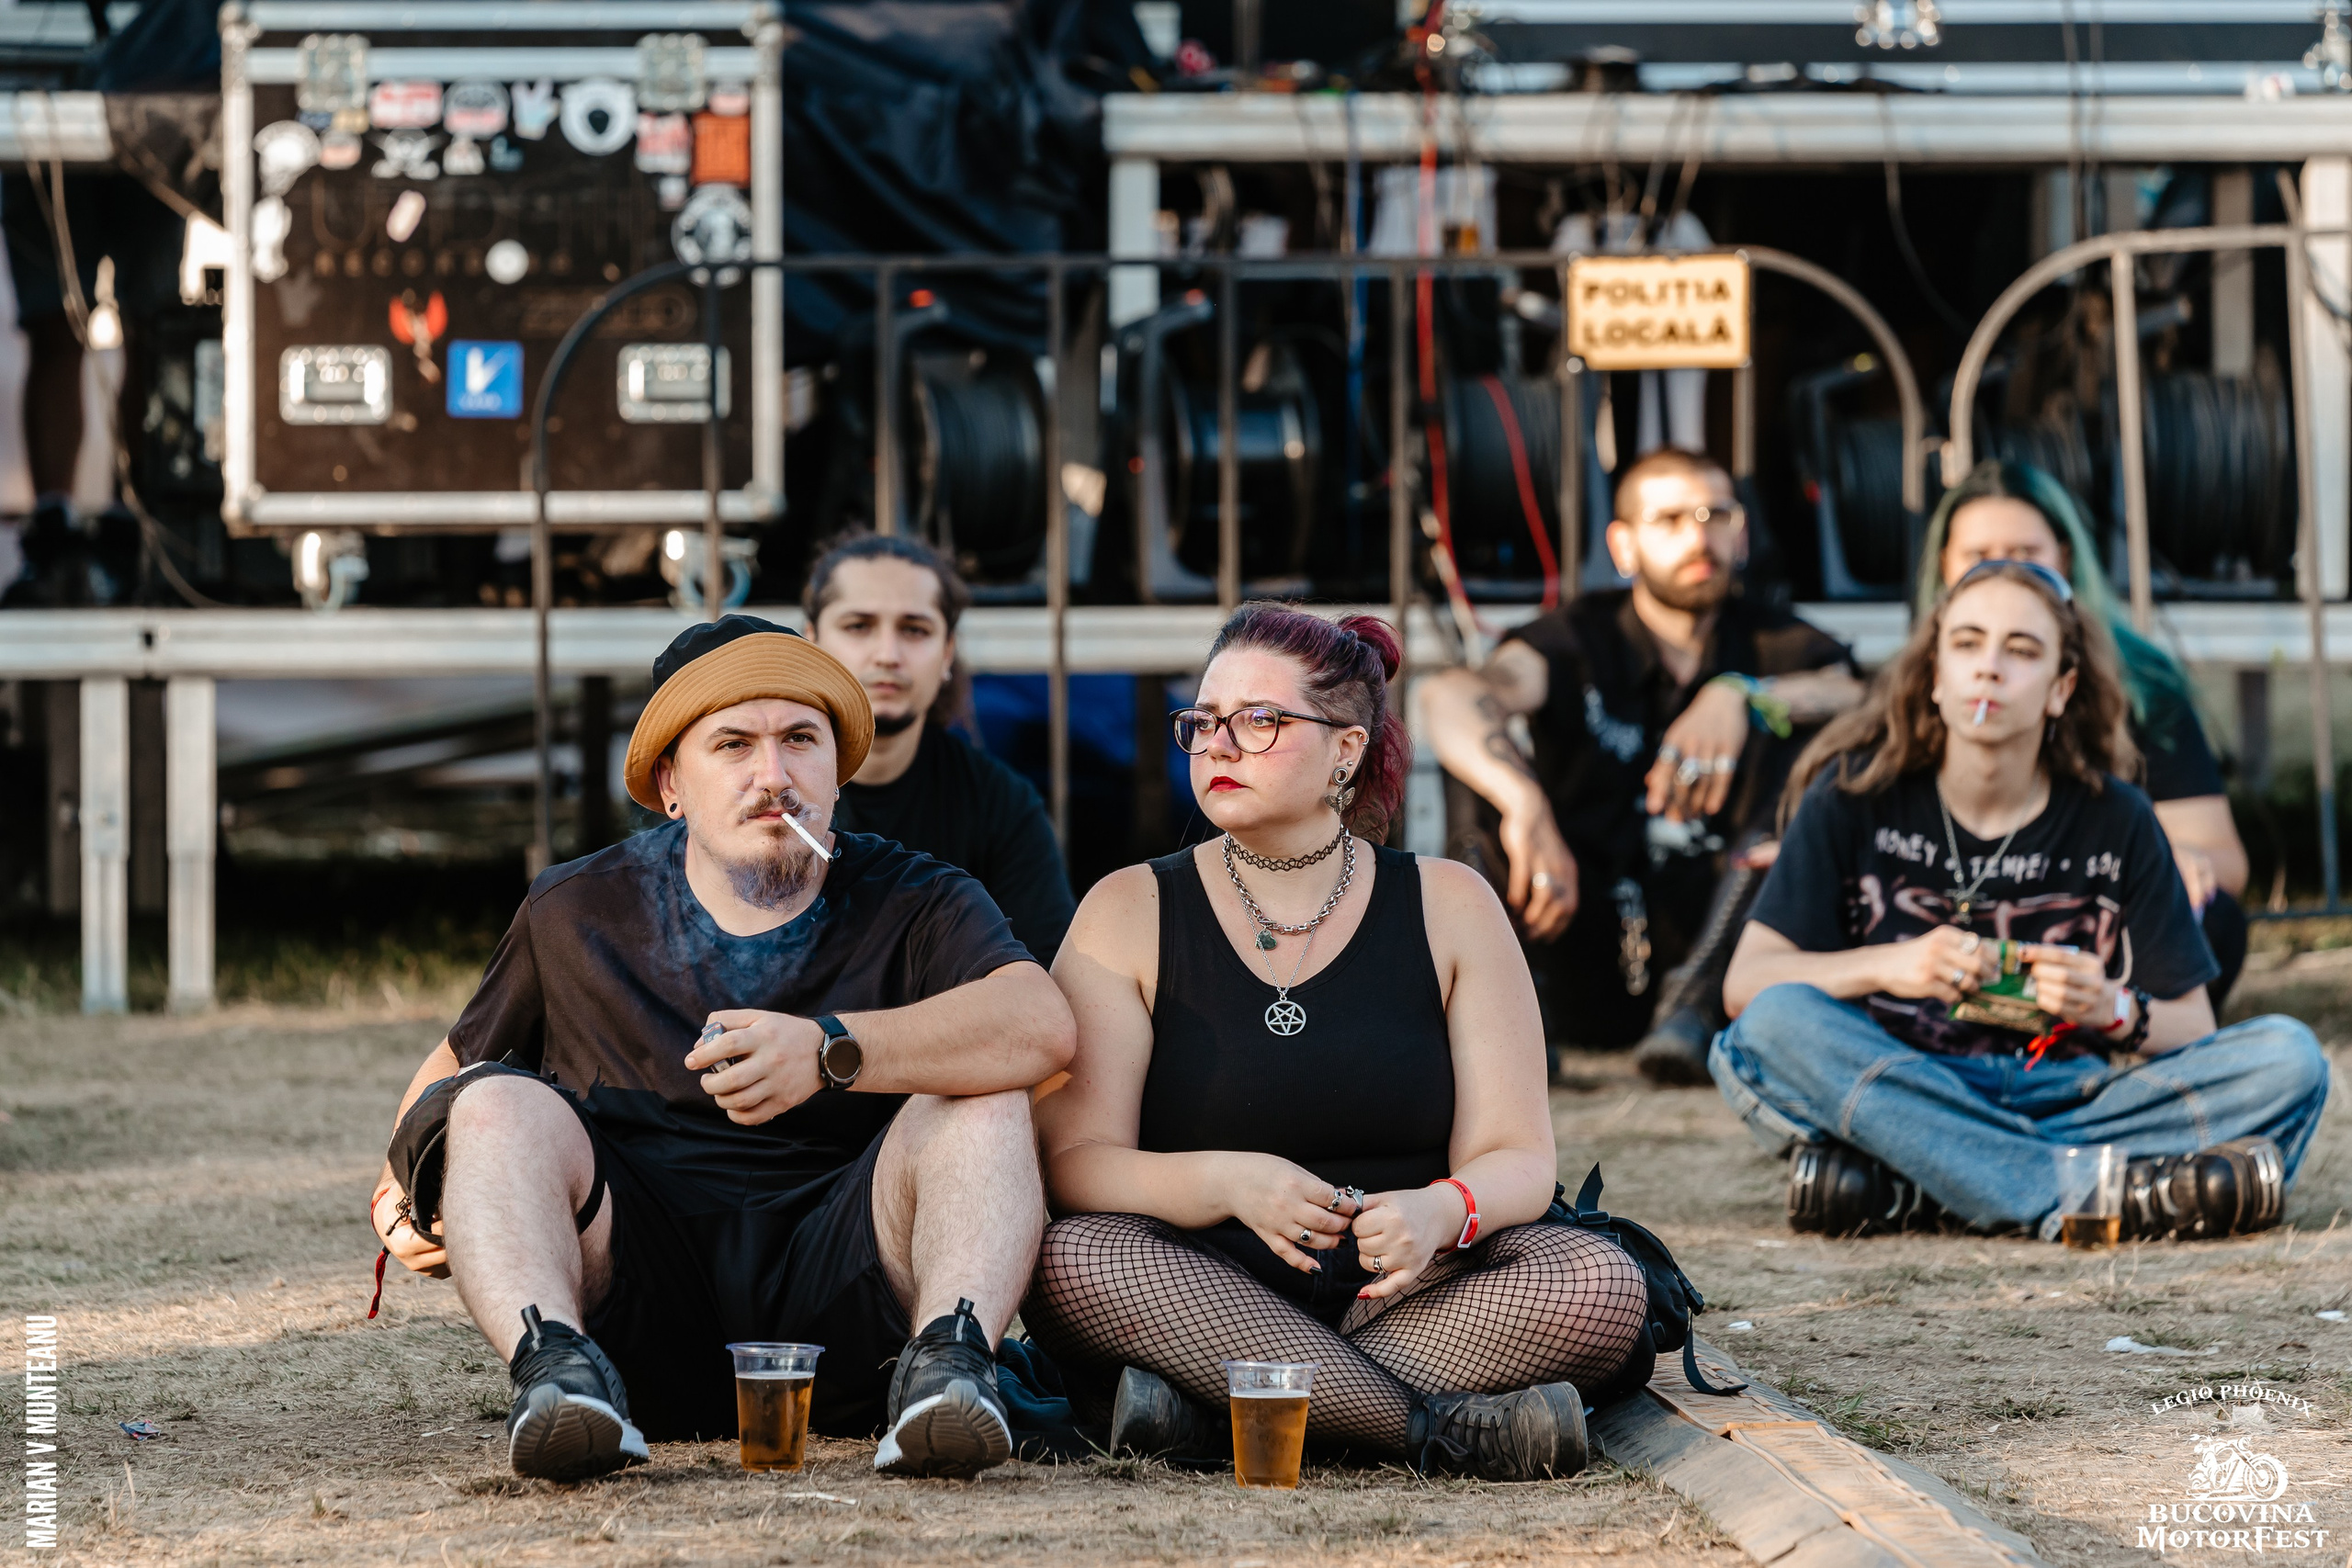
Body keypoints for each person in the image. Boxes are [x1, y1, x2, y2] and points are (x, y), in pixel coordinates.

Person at [368, 615, 1076, 1481]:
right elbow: (454, 1070)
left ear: (837, 769)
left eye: (801, 740)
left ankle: (952, 1373)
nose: (773, 776)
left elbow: (1040, 1025)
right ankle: (555, 1375)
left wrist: (830, 1050)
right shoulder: (577, 909)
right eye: (733, 744)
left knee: (983, 1088)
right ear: (672, 783)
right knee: (493, 1104)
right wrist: (400, 1193)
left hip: (858, 1313)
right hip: (632, 1313)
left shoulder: (920, 897)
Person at [1025, 603, 1651, 1483]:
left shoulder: (1451, 902)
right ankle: (1435, 1430)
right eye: (1201, 723)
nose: (1217, 746)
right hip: (1198, 1282)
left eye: (1259, 720)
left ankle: (1219, 1410)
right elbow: (1076, 1160)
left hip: (1409, 1292)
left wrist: (1442, 1210)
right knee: (1068, 1257)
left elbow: (1517, 1154)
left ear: (1347, 751)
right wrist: (1226, 1180)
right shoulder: (1128, 907)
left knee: (1598, 1282)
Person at [1711, 560, 2325, 1242]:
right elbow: (1748, 985)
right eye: (1968, 644)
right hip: (1900, 1081)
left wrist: (2110, 1007)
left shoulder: (2118, 816)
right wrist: (1890, 965)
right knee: (1766, 1030)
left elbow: (2193, 1027)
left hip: (2074, 1099)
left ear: (2061, 689)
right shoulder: (1852, 794)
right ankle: (2079, 1190)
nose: (1990, 668)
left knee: (2291, 1057)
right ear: (1937, 676)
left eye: (2022, 650)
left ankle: (1917, 1185)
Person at [1421, 446, 1865, 1086]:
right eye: (1670, 519)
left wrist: (1743, 693)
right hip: (1575, 929)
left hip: (1717, 956)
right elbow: (1449, 696)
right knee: (1482, 768)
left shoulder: (1778, 643)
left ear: (1740, 534)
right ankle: (1503, 1018)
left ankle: (1694, 1002)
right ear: (1623, 546)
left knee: (1817, 752)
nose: (1698, 535)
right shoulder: (1578, 637)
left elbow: (1863, 699)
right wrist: (1527, 806)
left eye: (1716, 514)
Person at [1918, 459, 2252, 1003]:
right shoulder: (1906, 689)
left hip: (2089, 931)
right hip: (1949, 919)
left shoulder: (2142, 685)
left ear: (2064, 688)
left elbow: (2223, 859)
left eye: (2028, 556)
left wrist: (2172, 861)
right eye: (1979, 558)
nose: (2006, 572)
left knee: (2216, 926)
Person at [808, 532, 1078, 963]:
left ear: (948, 652)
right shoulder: (765, 784)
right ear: (812, 640)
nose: (887, 654)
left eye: (914, 629)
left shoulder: (1000, 803)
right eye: (859, 626)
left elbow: (1045, 977)